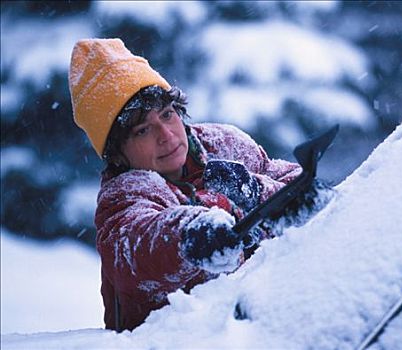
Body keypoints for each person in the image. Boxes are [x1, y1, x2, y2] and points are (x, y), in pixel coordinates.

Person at [69, 38, 334, 332]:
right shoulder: (123, 197)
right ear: (117, 152)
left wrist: (256, 191)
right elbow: (140, 247)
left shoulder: (223, 143)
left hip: (262, 326)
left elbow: (291, 184)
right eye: (143, 130)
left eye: (167, 114)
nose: (167, 135)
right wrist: (195, 234)